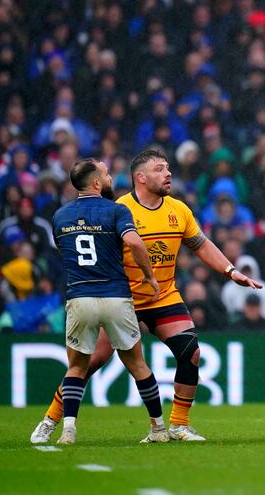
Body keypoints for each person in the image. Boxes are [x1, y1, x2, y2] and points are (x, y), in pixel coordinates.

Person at [30, 148, 262, 444]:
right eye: (159, 169)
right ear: (140, 177)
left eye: (168, 168)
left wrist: (230, 271)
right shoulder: (119, 208)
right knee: (90, 363)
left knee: (191, 352)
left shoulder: (179, 210)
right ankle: (50, 418)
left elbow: (201, 245)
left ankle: (179, 425)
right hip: (121, 297)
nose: (168, 174)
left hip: (163, 296)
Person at [39, 158, 166, 445]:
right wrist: (149, 276)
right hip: (115, 296)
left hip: (80, 296)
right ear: (96, 183)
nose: (110, 177)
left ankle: (68, 428)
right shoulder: (116, 210)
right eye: (107, 174)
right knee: (137, 364)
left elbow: (65, 251)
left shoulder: (60, 216)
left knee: (76, 367)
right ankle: (158, 428)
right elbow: (134, 243)